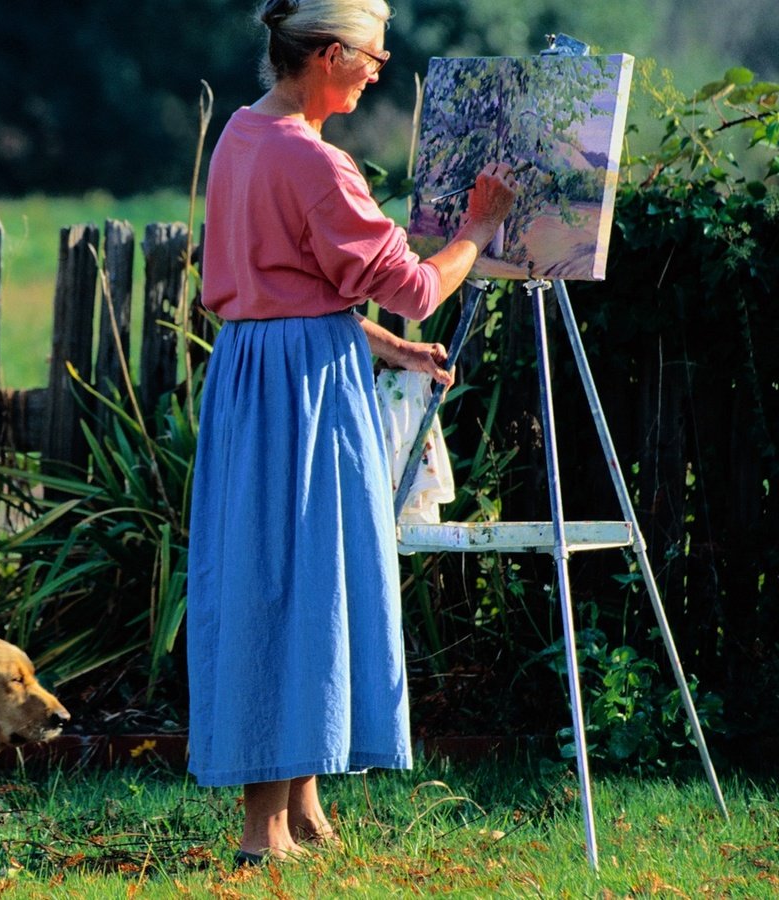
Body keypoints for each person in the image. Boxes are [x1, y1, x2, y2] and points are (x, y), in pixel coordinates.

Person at [186, 0, 517, 864]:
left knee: (293, 573)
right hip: (300, 392)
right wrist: (477, 233)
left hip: (258, 373)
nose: (380, 68)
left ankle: (303, 808)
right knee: (294, 582)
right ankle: (263, 832)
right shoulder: (315, 162)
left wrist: (384, 345)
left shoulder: (242, 136)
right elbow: (412, 282)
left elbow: (287, 286)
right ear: (329, 56)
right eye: (372, 55)